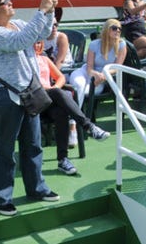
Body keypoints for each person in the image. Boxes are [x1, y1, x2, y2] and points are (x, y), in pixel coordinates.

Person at [0, 0, 60, 217]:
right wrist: (41, 9)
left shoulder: (19, 24)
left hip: (27, 93)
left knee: (33, 144)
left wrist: (50, 11)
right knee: (4, 149)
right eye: (7, 2)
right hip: (6, 96)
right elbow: (21, 41)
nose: (12, 4)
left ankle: (37, 188)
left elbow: (41, 33)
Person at [33, 40, 108, 176]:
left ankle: (63, 160)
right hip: (33, 102)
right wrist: (52, 91)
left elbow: (60, 77)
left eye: (38, 43)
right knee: (57, 93)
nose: (36, 46)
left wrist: (53, 89)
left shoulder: (44, 59)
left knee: (61, 112)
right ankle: (88, 126)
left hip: (48, 101)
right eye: (32, 43)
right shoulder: (23, 61)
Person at [69, 18, 127, 108]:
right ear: (107, 29)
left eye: (120, 29)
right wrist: (96, 74)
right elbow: (89, 68)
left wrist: (103, 75)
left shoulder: (121, 45)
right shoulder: (94, 44)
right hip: (85, 73)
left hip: (102, 79)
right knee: (79, 86)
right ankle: (75, 118)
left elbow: (117, 67)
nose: (118, 30)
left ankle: (74, 118)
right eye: (114, 28)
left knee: (79, 92)